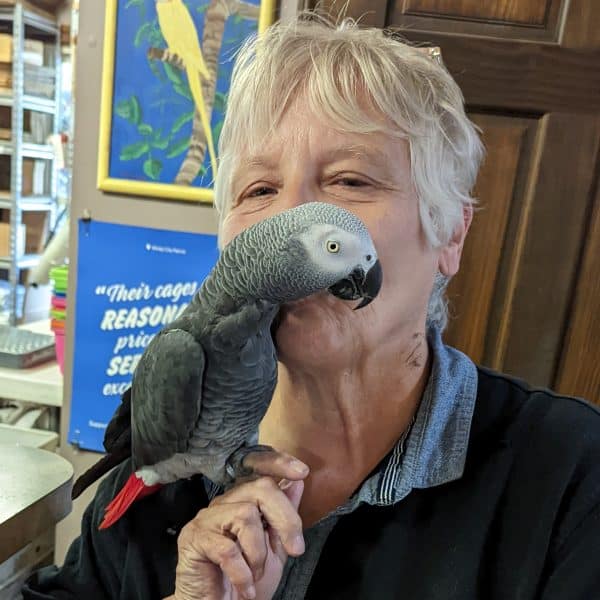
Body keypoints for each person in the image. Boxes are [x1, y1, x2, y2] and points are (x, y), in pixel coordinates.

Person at [24, 14, 600, 600]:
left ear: (450, 234)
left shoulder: (571, 476)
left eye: (351, 181)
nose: (289, 223)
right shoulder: (169, 446)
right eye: (259, 191)